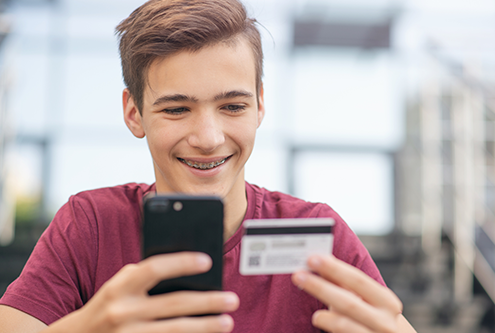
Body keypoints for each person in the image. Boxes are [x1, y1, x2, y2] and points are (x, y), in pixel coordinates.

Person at [0, 0, 417, 332]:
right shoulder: (90, 225)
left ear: (260, 106)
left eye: (232, 106)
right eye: (177, 109)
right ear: (134, 113)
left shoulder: (316, 235)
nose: (208, 138)